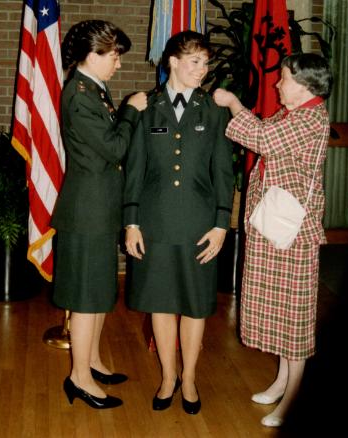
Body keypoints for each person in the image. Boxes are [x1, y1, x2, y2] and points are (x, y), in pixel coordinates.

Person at [213, 53, 333, 427]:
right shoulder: (292, 114)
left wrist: (233, 104)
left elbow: (262, 138)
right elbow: (267, 134)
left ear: (305, 84)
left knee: (294, 320)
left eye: (283, 79)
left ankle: (294, 397)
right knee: (281, 311)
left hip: (293, 232)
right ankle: (281, 383)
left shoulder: (312, 118)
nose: (277, 84)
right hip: (275, 225)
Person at [123, 31, 234, 415]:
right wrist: (132, 223)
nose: (202, 70)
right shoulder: (146, 107)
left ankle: (189, 379)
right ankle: (168, 376)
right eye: (194, 62)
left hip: (198, 225)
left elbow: (223, 172)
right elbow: (134, 171)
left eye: (205, 63)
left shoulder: (213, 110)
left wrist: (222, 224)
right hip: (154, 222)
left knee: (194, 305)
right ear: (172, 61)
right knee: (160, 303)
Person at [51, 20, 147, 409]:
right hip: (86, 210)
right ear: (93, 56)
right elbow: (114, 148)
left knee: (100, 291)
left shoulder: (94, 88)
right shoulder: (80, 94)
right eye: (114, 56)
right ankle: (79, 378)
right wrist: (130, 111)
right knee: (88, 296)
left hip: (99, 206)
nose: (119, 64)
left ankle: (90, 361)